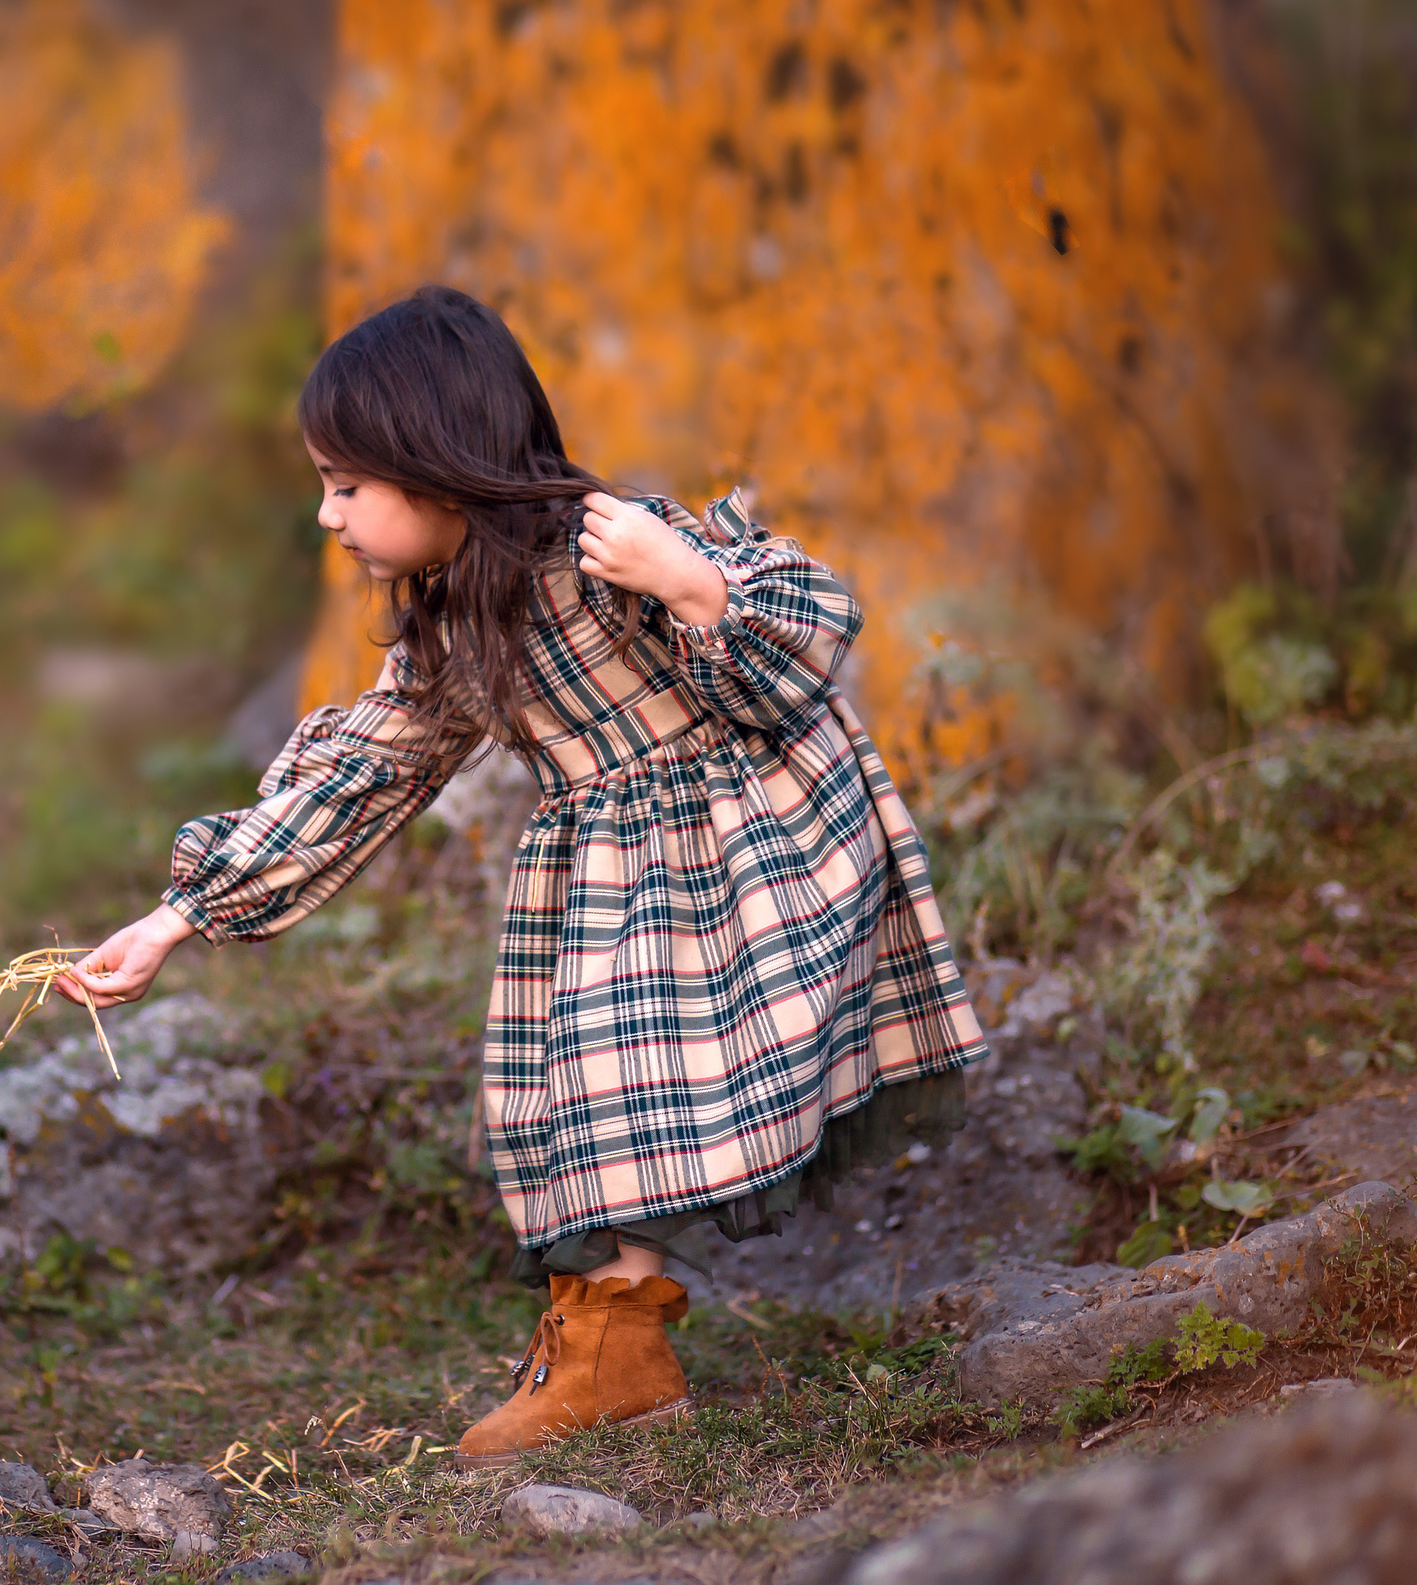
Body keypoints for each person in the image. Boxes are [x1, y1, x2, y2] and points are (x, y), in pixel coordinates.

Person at [64, 284, 985, 1467]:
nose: (325, 517)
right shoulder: (455, 624)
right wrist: (176, 919)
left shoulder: (616, 544)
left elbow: (804, 645)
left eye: (346, 487)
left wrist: (689, 583)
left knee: (605, 1090)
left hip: (750, 855)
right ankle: (613, 1354)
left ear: (436, 467)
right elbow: (356, 778)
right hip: (613, 887)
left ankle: (610, 1355)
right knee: (558, 1105)